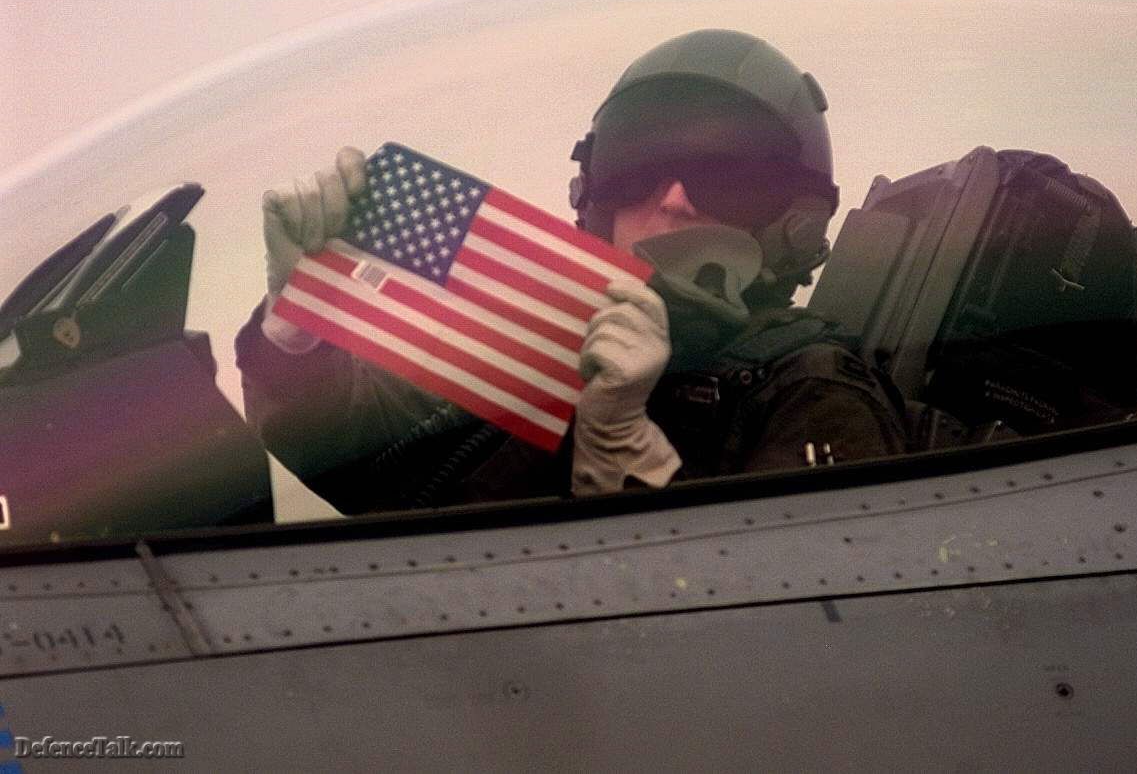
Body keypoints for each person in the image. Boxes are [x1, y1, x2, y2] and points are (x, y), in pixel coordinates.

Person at [236, 29, 908, 513]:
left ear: (793, 223)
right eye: (637, 168)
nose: (672, 199)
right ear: (592, 192)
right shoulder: (547, 346)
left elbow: (783, 630)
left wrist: (626, 452)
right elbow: (374, 464)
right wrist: (300, 329)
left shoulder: (812, 388)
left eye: (723, 176)